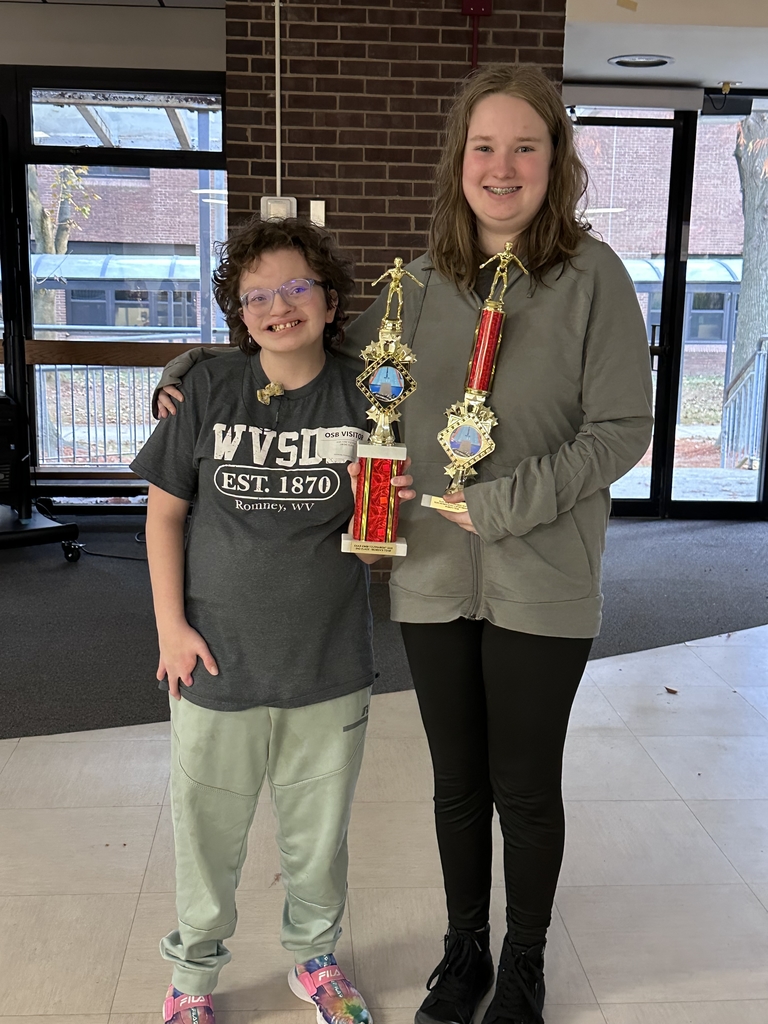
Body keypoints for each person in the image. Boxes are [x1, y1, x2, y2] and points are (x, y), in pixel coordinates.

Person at [153, 64, 653, 1024]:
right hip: (425, 576)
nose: (502, 167)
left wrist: (507, 504)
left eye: (525, 146)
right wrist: (192, 367)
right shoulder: (412, 289)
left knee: (524, 783)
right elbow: (319, 352)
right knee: (456, 782)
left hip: (543, 575)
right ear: (457, 161)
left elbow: (622, 428)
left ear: (558, 159)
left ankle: (526, 963)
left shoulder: (594, 277)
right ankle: (463, 955)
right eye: (484, 147)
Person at [132, 217, 414, 1024]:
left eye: (296, 288)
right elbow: (163, 518)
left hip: (325, 662)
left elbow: (373, 555)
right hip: (214, 660)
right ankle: (190, 981)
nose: (277, 307)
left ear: (329, 301)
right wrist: (169, 629)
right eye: (257, 296)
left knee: (317, 838)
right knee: (206, 835)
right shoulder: (209, 390)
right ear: (239, 313)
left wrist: (384, 515)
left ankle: (314, 962)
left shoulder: (371, 394)